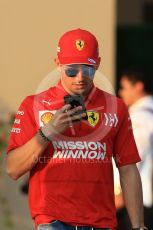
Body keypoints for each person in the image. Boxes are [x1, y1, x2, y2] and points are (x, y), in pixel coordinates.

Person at [6, 28, 147, 230]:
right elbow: (12, 169)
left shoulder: (116, 107)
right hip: (52, 221)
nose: (80, 77)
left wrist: (138, 225)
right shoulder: (33, 104)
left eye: (88, 70)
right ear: (57, 64)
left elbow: (128, 168)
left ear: (98, 63)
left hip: (101, 222)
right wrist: (48, 132)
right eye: (71, 70)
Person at [119, 69, 153, 229]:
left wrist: (118, 197)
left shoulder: (140, 118)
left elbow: (132, 162)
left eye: (124, 87)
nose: (120, 92)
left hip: (135, 205)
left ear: (138, 87)